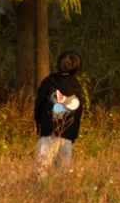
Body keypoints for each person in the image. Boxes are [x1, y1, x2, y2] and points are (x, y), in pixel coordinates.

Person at [34, 50, 83, 180]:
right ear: (77, 68)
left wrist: (39, 126)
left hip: (48, 132)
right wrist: (73, 134)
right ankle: (60, 197)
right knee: (64, 175)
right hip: (67, 135)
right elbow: (78, 113)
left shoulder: (48, 82)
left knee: (41, 172)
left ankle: (41, 194)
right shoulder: (77, 87)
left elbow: (38, 105)